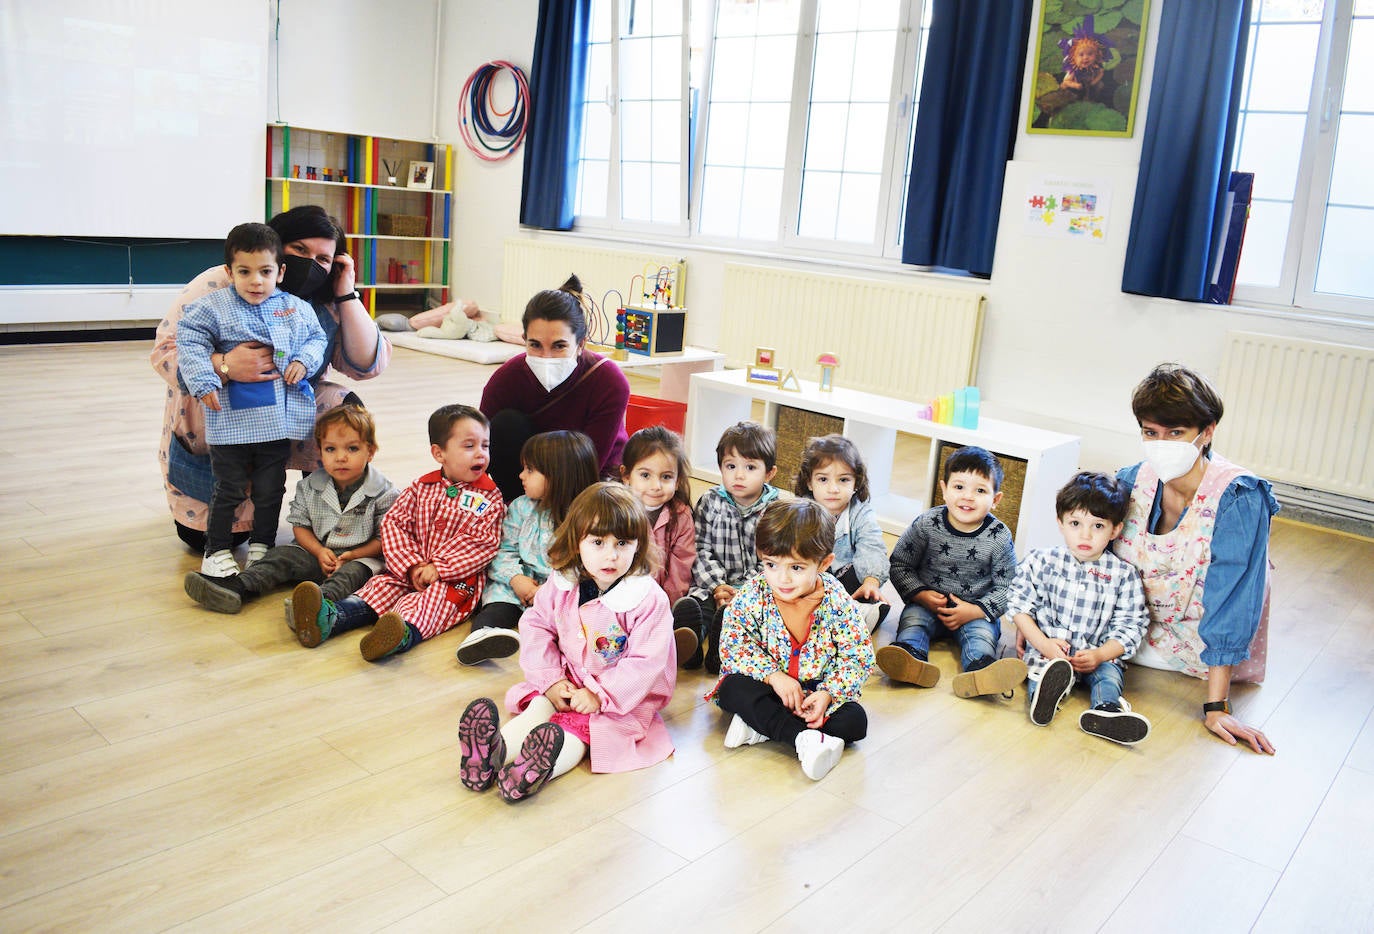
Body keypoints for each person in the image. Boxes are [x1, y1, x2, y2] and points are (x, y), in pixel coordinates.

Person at [153, 205, 392, 553]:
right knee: (212, 539)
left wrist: (345, 290)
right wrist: (224, 366)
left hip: (283, 415)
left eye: (323, 259)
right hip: (220, 419)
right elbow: (164, 351)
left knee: (343, 406)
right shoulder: (219, 285)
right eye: (300, 250)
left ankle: (328, 512)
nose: (310, 264)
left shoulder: (321, 302)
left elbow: (365, 363)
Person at [456, 483, 676, 802]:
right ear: (577, 542)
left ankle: (534, 770)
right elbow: (536, 626)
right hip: (570, 676)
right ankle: (491, 755)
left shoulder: (647, 599)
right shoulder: (563, 583)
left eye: (623, 543)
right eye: (598, 542)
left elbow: (645, 664)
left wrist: (599, 694)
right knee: (540, 707)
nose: (611, 555)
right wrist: (551, 680)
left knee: (578, 730)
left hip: (621, 696)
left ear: (639, 545)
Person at [1112, 363, 1280, 754]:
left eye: (1175, 433)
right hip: (1126, 637)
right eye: (1150, 433)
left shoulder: (1239, 497)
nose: (1160, 444)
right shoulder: (1130, 479)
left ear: (1207, 432)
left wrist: (1217, 706)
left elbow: (1233, 595)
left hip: (1197, 654)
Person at [290, 404, 504, 661]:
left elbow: (482, 543)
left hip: (453, 580)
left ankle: (397, 636)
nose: (480, 454)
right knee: (378, 588)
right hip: (407, 570)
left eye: (485, 446)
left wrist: (439, 567)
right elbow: (394, 524)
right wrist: (411, 565)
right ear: (439, 453)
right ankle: (330, 618)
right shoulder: (422, 487)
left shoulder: (490, 498)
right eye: (469, 446)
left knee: (429, 605)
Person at [176, 222, 328, 578]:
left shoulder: (295, 308)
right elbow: (190, 341)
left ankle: (263, 545)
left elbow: (316, 338)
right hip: (228, 419)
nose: (256, 281)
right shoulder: (211, 308)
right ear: (230, 272)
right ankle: (215, 551)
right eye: (245, 272)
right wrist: (203, 380)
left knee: (270, 488)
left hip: (277, 421)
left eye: (265, 272)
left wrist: (303, 361)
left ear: (280, 271)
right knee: (227, 488)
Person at [710, 498, 875, 782]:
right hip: (767, 687)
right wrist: (774, 676)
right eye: (771, 564)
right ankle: (802, 738)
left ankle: (762, 727)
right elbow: (735, 647)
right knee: (731, 690)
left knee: (856, 722)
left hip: (815, 696)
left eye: (796, 568)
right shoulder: (754, 593)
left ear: (823, 563)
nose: (781, 578)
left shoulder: (838, 602)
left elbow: (856, 658)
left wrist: (827, 693)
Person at [182, 404, 398, 619]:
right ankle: (239, 586)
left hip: (360, 559)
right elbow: (300, 526)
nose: (340, 457)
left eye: (352, 448)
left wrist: (353, 555)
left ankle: (317, 604)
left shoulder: (385, 492)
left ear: (370, 451)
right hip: (316, 554)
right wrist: (318, 551)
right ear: (320, 452)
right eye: (331, 449)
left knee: (353, 574)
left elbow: (384, 539)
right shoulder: (310, 485)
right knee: (281, 556)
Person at [1010, 472, 1151, 745]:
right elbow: (1019, 605)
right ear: (1060, 523)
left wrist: (1100, 654)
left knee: (1108, 677)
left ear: (1115, 530)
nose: (1085, 534)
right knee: (1043, 672)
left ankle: (1106, 712)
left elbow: (1132, 625)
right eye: (1075, 523)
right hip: (1050, 651)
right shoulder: (1043, 561)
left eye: (1098, 526)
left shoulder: (1123, 575)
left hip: (1098, 655)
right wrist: (1043, 644)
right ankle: (1044, 699)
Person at [880, 446, 1026, 698]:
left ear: (995, 499)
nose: (968, 497)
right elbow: (900, 563)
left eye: (980, 490)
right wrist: (920, 594)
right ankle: (909, 658)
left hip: (975, 610)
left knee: (980, 635)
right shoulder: (927, 524)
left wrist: (977, 610)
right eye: (959, 487)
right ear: (944, 489)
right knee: (914, 622)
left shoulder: (999, 536)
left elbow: (1008, 586)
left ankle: (981, 670)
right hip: (927, 603)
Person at [479, 274, 631, 502]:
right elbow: (480, 444)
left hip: (591, 479)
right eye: (535, 345)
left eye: (559, 346)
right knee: (506, 424)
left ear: (581, 345)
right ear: (524, 340)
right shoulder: (507, 378)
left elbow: (592, 462)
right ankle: (516, 509)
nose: (546, 357)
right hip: (528, 477)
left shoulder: (609, 381)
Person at [454, 430, 599, 666]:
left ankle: (563, 649)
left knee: (578, 613)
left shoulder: (589, 518)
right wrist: (515, 579)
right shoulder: (521, 508)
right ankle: (480, 636)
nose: (521, 475)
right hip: (521, 582)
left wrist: (549, 591)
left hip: (564, 590)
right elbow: (503, 550)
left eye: (530, 470)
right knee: (497, 603)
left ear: (558, 476)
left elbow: (588, 566)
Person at [678, 421, 783, 674]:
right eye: (731, 466)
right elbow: (700, 548)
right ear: (721, 468)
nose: (739, 475)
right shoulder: (710, 502)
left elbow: (772, 559)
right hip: (712, 586)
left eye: (750, 467)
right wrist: (717, 585)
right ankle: (690, 643)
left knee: (754, 617)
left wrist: (741, 590)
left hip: (753, 589)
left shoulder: (776, 510)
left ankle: (721, 652)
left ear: (769, 473)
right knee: (698, 605)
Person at [619, 426, 700, 665]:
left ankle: (677, 645)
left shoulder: (681, 515)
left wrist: (664, 604)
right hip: (620, 599)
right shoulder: (615, 510)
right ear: (626, 475)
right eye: (645, 475)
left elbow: (681, 565)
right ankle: (652, 649)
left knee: (686, 610)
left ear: (677, 481)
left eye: (666, 477)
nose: (655, 486)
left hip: (661, 601)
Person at [793, 434, 891, 632]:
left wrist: (871, 581)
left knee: (865, 586)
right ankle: (831, 616)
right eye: (823, 479)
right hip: (812, 579)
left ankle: (856, 613)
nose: (833, 489)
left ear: (856, 483)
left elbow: (872, 546)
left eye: (843, 480)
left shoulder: (861, 512)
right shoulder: (800, 509)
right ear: (810, 483)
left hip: (847, 582)